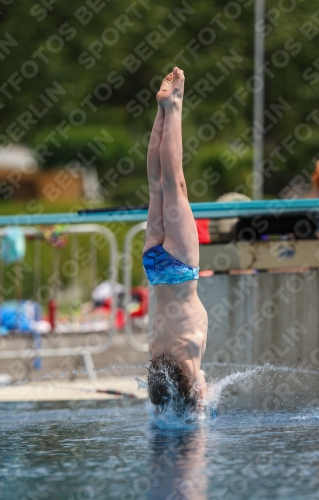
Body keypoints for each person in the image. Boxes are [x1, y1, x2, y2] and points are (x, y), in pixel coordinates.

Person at [142, 67, 208, 412]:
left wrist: (201, 404)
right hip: (154, 267)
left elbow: (200, 398)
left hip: (180, 272)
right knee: (156, 184)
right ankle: (161, 108)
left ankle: (174, 106)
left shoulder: (191, 370)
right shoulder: (156, 366)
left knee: (174, 183)